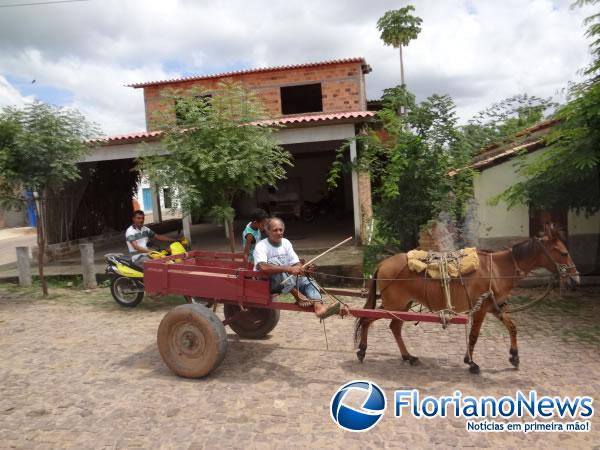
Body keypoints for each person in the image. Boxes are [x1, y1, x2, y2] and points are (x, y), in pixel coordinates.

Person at [253, 217, 340, 319]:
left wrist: (302, 268)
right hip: (268, 283)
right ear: (267, 231)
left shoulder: (286, 242)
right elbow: (263, 267)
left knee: (307, 280)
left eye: (281, 230)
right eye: (275, 230)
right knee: (275, 264)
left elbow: (296, 264)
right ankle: (297, 296)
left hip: (287, 280)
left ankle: (319, 307)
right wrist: (289, 269)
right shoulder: (261, 245)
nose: (279, 232)